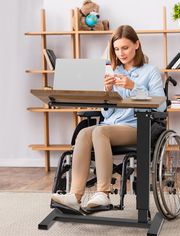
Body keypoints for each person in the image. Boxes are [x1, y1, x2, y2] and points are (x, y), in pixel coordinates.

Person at [52, 25, 166, 211]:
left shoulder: (150, 71)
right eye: (117, 49)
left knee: (99, 130)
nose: (121, 53)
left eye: (125, 48)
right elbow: (107, 114)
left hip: (137, 127)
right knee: (85, 133)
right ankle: (75, 195)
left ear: (137, 45)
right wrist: (107, 93)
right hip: (110, 126)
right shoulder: (113, 71)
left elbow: (161, 106)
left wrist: (133, 86)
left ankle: (103, 193)